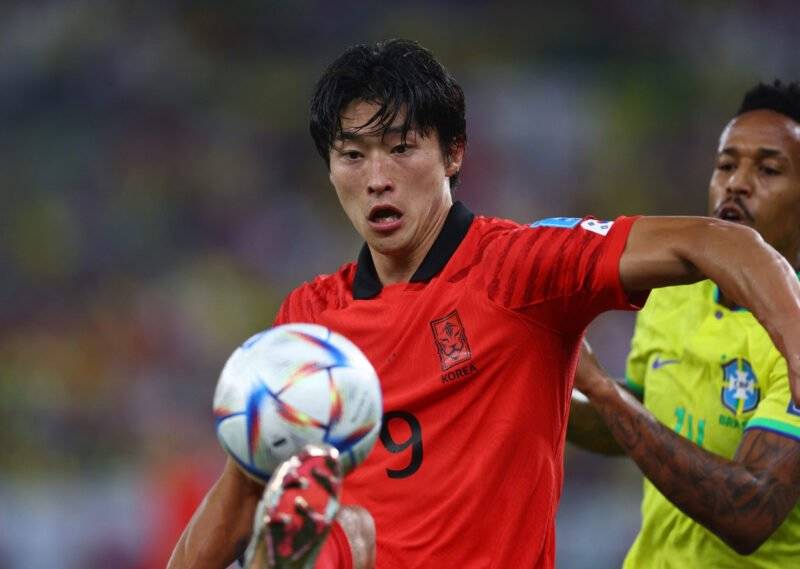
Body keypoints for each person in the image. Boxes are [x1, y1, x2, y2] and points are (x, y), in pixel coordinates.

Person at [168, 40, 800, 569]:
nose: (377, 178)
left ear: (454, 153)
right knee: (331, 525)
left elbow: (720, 243)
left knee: (345, 531)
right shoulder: (310, 320)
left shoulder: (522, 271)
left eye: (401, 148)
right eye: (352, 155)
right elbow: (242, 488)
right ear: (330, 169)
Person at [569, 80, 800, 567]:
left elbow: (750, 511)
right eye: (726, 165)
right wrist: (548, 374)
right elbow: (634, 423)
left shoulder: (793, 334)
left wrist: (602, 389)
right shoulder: (673, 291)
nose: (737, 183)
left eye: (769, 169)